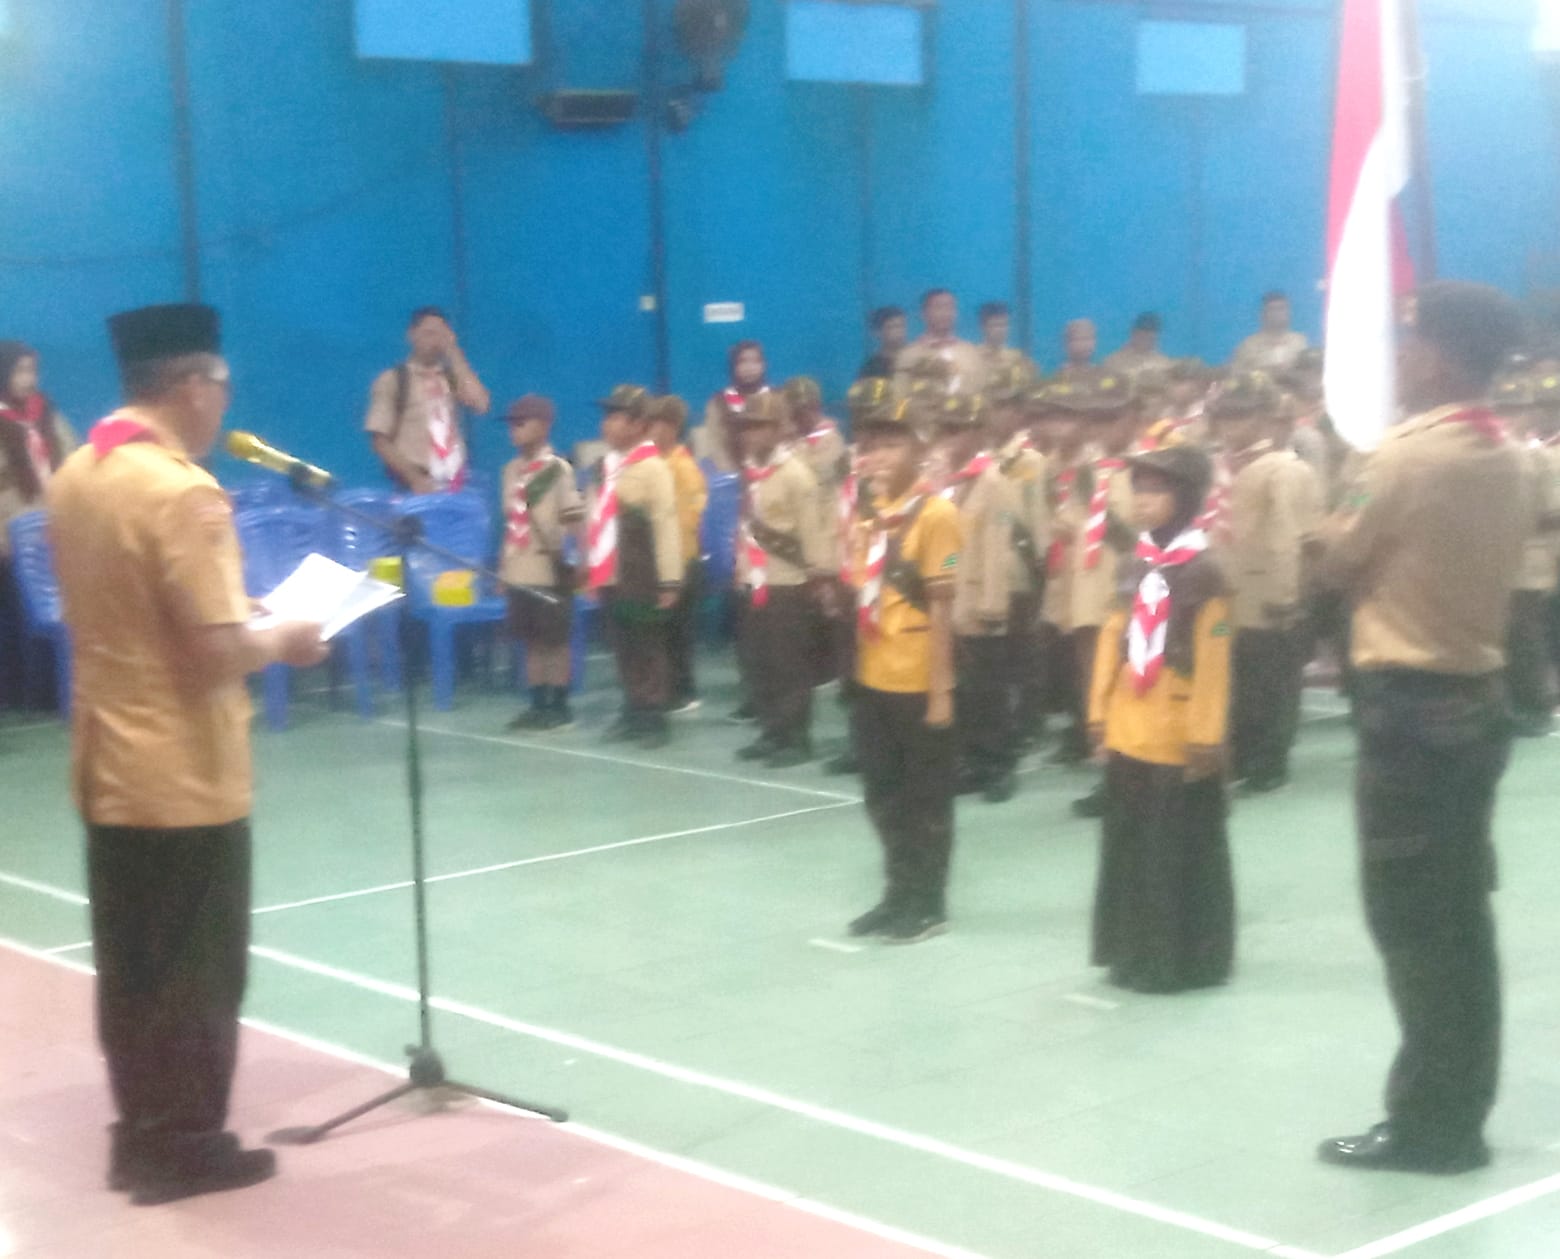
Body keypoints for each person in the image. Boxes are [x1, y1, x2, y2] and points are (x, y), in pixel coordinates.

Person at [47, 303, 329, 1205]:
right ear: (191, 384)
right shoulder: (182, 492)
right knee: (197, 974)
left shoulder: (80, 473)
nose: (224, 402)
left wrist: (245, 617)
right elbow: (212, 651)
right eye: (222, 384)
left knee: (133, 968)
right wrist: (283, 635)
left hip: (108, 759)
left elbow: (131, 610)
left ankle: (141, 1135)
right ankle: (186, 1146)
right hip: (183, 771)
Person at [1316, 280, 1527, 1175]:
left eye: (1411, 343)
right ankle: (1459, 1104)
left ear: (1437, 356)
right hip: (1476, 698)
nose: (1402, 357)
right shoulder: (1512, 454)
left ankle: (1433, 1126)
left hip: (1410, 709)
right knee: (1459, 918)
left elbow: (1336, 555)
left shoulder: (1403, 457)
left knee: (1412, 921)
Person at [1088, 443, 1235, 994]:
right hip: (1130, 725)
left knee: (1172, 850)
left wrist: (1205, 739)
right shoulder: (1134, 564)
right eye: (1139, 489)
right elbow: (1112, 639)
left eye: (1157, 490)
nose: (1143, 500)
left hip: (1178, 734)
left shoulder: (1206, 573)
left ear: (1188, 497)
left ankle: (1177, 959)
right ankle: (1130, 949)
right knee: (1130, 846)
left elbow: (1214, 662)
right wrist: (1098, 715)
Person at [845, 390, 961, 944]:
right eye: (874, 445)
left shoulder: (937, 515)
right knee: (882, 795)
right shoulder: (869, 512)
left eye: (894, 444)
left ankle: (928, 902)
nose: (882, 456)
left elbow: (941, 608)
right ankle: (897, 893)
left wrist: (941, 692)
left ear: (919, 448)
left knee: (925, 799)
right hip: (873, 673)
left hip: (918, 679)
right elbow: (860, 587)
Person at [1207, 372, 1323, 792]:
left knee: (1271, 678)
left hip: (1268, 591)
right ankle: (1240, 752)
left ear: (1264, 418)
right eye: (1225, 417)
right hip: (1223, 587)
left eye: (1241, 416)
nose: (1231, 426)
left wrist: (1287, 595)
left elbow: (1292, 539)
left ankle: (1270, 759)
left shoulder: (1284, 469)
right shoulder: (1218, 466)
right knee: (1234, 676)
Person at [931, 393, 1021, 803]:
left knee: (989, 690)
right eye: (945, 430)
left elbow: (998, 547)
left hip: (983, 603)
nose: (951, 439)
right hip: (953, 600)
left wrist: (993, 605)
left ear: (978, 433)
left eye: (959, 430)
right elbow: (950, 544)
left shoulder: (994, 482)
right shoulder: (948, 484)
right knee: (962, 689)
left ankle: (998, 764)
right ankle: (970, 759)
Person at [734, 389, 831, 766]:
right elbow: (746, 527)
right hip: (756, 581)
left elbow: (812, 532)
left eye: (760, 427)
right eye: (747, 427)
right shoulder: (752, 473)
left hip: (788, 583)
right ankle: (772, 730)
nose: (751, 434)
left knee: (789, 664)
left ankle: (795, 737)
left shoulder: (795, 475)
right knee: (761, 662)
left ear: (778, 429)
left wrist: (819, 579)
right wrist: (740, 568)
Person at [585, 385, 682, 748]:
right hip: (611, 571)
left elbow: (666, 524)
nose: (607, 424)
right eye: (606, 416)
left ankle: (654, 714)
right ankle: (633, 707)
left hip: (642, 572)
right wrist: (590, 568)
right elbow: (595, 520)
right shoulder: (604, 467)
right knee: (622, 642)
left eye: (617, 417)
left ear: (640, 424)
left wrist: (669, 580)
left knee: (647, 644)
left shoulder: (653, 468)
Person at [498, 395, 585, 733]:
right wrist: (504, 570)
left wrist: (581, 559)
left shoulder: (557, 470)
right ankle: (537, 703)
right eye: (512, 424)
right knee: (531, 640)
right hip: (520, 567)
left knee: (555, 641)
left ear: (544, 426)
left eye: (522, 422)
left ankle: (560, 705)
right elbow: (511, 525)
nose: (514, 429)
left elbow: (573, 519)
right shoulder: (510, 471)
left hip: (549, 566)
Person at [0, 340, 77, 710]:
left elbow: (73, 456)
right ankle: (18, 693)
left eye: (32, 370)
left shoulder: (44, 412)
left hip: (55, 527)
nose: (29, 379)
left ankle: (52, 688)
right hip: (10, 532)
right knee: (15, 614)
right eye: (20, 371)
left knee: (60, 604)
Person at [364, 306, 491, 493]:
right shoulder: (394, 380)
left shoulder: (451, 377)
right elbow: (379, 439)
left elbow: (481, 404)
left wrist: (454, 352)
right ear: (411, 335)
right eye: (429, 333)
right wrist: (414, 479)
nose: (434, 341)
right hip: (413, 482)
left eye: (441, 334)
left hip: (454, 481)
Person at [1492, 376, 1556, 738]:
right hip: (1495, 561)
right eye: (1503, 410)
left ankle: (1534, 706)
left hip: (1527, 560)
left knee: (1525, 638)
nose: (1508, 417)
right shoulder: (1492, 456)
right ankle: (1512, 704)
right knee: (1505, 638)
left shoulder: (1538, 458)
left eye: (1515, 410)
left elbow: (1552, 513)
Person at [990, 368, 1051, 746]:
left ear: (1018, 413)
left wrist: (1040, 562)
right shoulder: (981, 457)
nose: (998, 415)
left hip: (1018, 567)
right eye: (993, 406)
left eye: (1006, 407)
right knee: (992, 655)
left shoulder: (1030, 460)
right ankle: (999, 721)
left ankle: (1028, 720)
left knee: (1023, 649)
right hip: (984, 570)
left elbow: (1038, 515)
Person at [649, 394, 709, 714]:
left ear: (673, 428)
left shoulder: (683, 468)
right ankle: (667, 688)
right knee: (662, 632)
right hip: (660, 561)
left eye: (658, 424)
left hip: (683, 561)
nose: (652, 430)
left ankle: (684, 692)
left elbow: (687, 521)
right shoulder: (654, 464)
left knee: (678, 632)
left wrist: (674, 565)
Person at [695, 340, 770, 473]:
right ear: (733, 367)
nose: (749, 367)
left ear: (763, 365)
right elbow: (716, 445)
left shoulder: (776, 399)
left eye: (755, 361)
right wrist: (735, 474)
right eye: (743, 361)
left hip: (771, 472)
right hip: (733, 474)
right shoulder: (719, 403)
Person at [895, 289, 985, 398]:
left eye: (950, 307)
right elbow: (900, 397)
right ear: (924, 314)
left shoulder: (970, 352)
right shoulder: (909, 355)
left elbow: (982, 392)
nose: (945, 313)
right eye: (938, 307)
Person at [1232, 291, 1309, 375]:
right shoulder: (1248, 346)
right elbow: (1235, 374)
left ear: (1288, 313)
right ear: (1263, 314)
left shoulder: (1300, 342)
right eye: (1272, 309)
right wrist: (1265, 371)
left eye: (1281, 309)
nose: (1277, 313)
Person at [976, 301, 1036, 386]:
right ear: (983, 327)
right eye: (996, 325)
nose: (1001, 330)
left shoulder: (1017, 358)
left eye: (1005, 325)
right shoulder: (974, 356)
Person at [1102, 313, 1172, 382]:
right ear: (1133, 333)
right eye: (1143, 331)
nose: (1146, 335)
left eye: (1151, 332)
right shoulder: (1113, 361)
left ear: (1157, 336)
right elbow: (1104, 384)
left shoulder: (1165, 364)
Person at [859, 306, 908, 380]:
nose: (899, 331)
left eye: (902, 325)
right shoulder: (872, 368)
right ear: (877, 332)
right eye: (892, 327)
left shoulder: (918, 358)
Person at [1054, 318, 1100, 383]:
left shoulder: (1100, 373)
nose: (1086, 344)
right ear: (1067, 343)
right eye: (1080, 339)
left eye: (1090, 338)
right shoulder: (1062, 376)